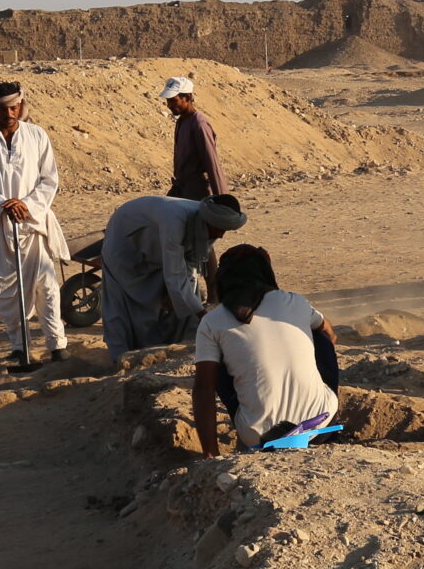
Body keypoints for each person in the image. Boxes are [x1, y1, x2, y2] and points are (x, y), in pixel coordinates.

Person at [191, 244, 342, 455]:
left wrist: (211, 454)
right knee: (320, 338)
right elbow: (328, 331)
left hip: (259, 437)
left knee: (213, 364)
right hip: (320, 426)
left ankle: (252, 421)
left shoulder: (212, 322)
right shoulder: (295, 301)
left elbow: (203, 389)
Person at [0, 81, 69, 369]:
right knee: (2, 288)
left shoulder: (37, 135)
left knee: (46, 286)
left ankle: (57, 344)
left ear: (21, 106)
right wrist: (3, 204)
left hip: (34, 223)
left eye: (14, 107)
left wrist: (26, 206)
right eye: (3, 108)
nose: (10, 113)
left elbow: (50, 180)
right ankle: (19, 345)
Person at [100, 192, 247, 356]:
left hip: (155, 249)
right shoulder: (175, 219)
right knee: (121, 301)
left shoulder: (207, 226)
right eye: (219, 229)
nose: (220, 235)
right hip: (126, 243)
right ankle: (119, 354)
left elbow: (190, 266)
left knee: (182, 296)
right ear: (209, 221)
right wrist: (204, 316)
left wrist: (184, 300)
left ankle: (167, 345)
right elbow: (175, 275)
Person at [163, 76, 230, 198]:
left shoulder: (199, 124)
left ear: (187, 97)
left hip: (197, 192)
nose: (169, 105)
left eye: (173, 100)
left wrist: (223, 200)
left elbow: (212, 163)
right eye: (168, 101)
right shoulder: (182, 122)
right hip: (182, 189)